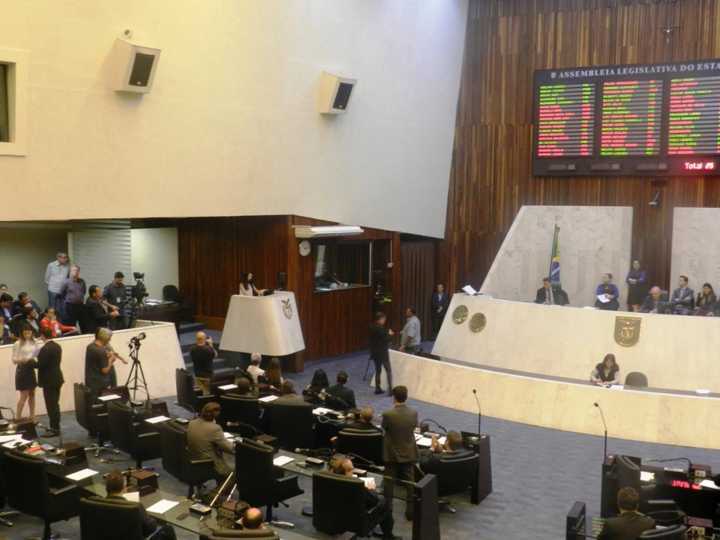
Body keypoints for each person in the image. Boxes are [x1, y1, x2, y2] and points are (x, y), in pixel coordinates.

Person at [329, 456, 398, 540]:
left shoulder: (325, 480)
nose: (353, 472)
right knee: (384, 503)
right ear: (343, 472)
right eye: (350, 470)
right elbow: (374, 501)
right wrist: (371, 490)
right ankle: (388, 536)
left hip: (331, 520)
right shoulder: (357, 487)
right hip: (356, 524)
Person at [104, 470, 177, 540]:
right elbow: (150, 528)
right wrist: (151, 518)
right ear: (123, 487)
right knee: (168, 529)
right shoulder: (134, 506)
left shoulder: (99, 503)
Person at [382, 385, 418, 521]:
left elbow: (384, 428)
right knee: (410, 484)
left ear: (394, 398)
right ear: (406, 397)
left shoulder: (388, 414)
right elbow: (414, 426)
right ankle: (411, 512)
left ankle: (387, 511)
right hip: (408, 453)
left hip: (391, 454)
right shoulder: (413, 413)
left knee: (389, 484)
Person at [187, 402, 234, 480]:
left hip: (193, 459)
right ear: (216, 415)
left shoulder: (192, 423)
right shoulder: (215, 428)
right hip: (209, 464)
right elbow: (230, 449)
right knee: (235, 473)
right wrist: (236, 444)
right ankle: (221, 491)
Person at [84, 327, 126, 400]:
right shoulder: (101, 351)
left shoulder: (90, 347)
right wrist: (110, 361)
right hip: (100, 383)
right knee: (108, 401)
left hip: (91, 380)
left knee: (94, 402)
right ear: (105, 338)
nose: (110, 340)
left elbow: (96, 361)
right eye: (109, 338)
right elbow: (105, 370)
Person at [36, 327, 63, 436]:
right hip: (57, 378)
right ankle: (55, 427)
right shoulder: (57, 346)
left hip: (49, 380)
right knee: (55, 404)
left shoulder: (45, 349)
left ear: (42, 335)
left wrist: (28, 362)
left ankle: (55, 429)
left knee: (51, 406)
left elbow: (40, 365)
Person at [12, 324, 39, 421]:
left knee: (32, 394)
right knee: (24, 395)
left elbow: (37, 353)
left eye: (29, 332)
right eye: (25, 333)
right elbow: (14, 359)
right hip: (22, 369)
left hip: (30, 368)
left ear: (32, 332)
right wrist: (22, 359)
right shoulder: (17, 343)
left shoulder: (35, 341)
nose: (27, 334)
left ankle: (32, 415)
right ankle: (18, 417)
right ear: (22, 334)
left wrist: (31, 358)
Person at [369, 311, 394, 395]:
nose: (385, 321)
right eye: (384, 319)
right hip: (383, 352)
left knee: (378, 370)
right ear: (381, 319)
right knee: (388, 370)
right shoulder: (381, 328)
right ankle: (390, 390)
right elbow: (386, 339)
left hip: (375, 352)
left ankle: (377, 388)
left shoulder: (372, 327)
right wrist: (390, 334)